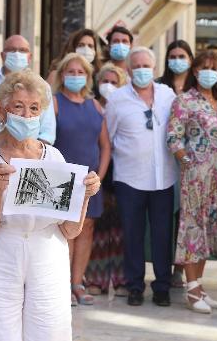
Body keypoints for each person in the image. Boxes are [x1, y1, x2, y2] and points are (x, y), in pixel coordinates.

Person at [0, 69, 100, 341]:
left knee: (49, 332)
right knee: (1, 333)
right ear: (1, 110)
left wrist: (85, 195)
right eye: (18, 106)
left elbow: (70, 231)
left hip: (48, 255)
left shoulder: (53, 156)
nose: (26, 115)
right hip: (1, 255)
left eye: (34, 108)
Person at [167, 50, 217, 314]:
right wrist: (188, 163)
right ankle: (192, 287)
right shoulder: (184, 101)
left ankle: (201, 287)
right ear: (194, 71)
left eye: (213, 67)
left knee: (211, 230)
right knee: (193, 228)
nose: (208, 72)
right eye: (203, 67)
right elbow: (173, 137)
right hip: (196, 175)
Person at [106, 47, 178, 307]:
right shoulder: (117, 100)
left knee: (162, 235)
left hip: (164, 178)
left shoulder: (168, 96)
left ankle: (162, 286)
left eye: (146, 65)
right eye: (136, 66)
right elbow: (110, 137)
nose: (141, 70)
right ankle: (135, 285)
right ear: (127, 70)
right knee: (133, 234)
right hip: (129, 179)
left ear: (155, 68)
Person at [52, 53, 110, 305]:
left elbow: (105, 146)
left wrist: (100, 177)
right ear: (62, 74)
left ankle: (78, 283)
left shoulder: (95, 106)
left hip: (89, 182)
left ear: (88, 77)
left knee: (86, 229)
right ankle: (62, 286)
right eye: (71, 71)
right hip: (62, 180)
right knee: (65, 232)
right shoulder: (54, 103)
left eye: (80, 72)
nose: (75, 76)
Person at [84, 63, 128, 297]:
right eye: (105, 81)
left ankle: (121, 280)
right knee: (97, 230)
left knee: (119, 230)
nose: (109, 86)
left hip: (121, 174)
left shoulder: (125, 106)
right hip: (96, 172)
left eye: (114, 81)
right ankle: (95, 279)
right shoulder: (92, 107)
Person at [155, 40, 196, 288]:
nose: (177, 60)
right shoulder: (159, 87)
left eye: (182, 55)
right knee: (165, 215)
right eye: (173, 56)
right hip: (163, 158)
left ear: (190, 59)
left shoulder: (197, 87)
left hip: (191, 161)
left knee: (185, 215)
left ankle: (179, 269)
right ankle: (163, 265)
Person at [0, 35, 56, 145]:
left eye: (22, 50)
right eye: (12, 50)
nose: (17, 54)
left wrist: (32, 155)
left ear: (30, 57)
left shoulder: (43, 87)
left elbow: (47, 133)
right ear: (2, 55)